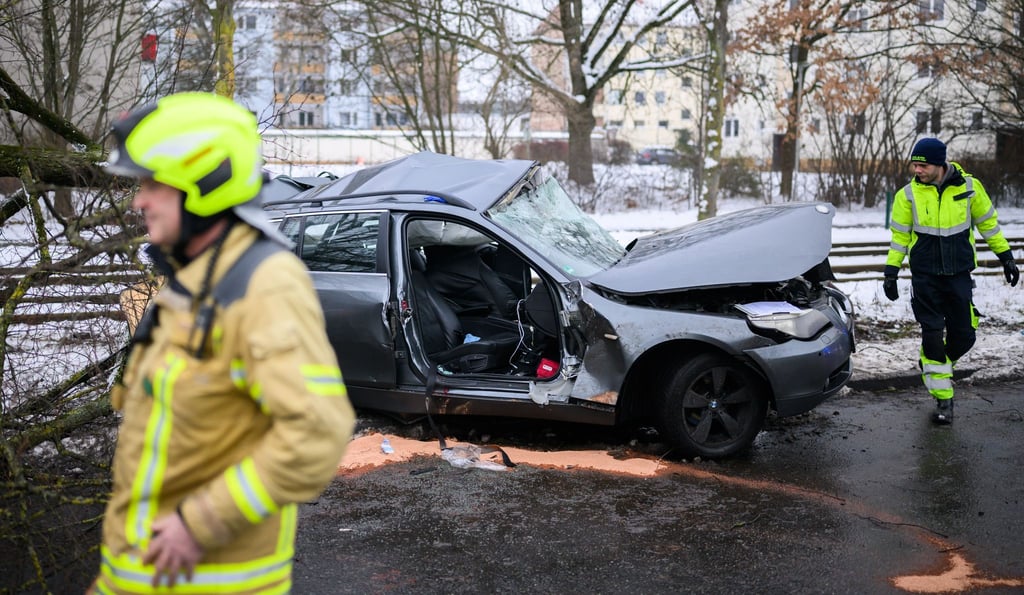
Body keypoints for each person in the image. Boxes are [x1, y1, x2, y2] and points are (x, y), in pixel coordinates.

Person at [90, 92, 355, 593]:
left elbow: (318, 433)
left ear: (205, 182)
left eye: (151, 184)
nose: (137, 200)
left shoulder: (264, 284)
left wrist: (200, 524)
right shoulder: (193, 280)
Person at [883, 137, 1019, 424]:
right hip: (925, 279)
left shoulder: (970, 188)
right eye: (914, 164)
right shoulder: (906, 196)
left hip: (959, 277)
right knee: (932, 336)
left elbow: (989, 225)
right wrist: (891, 272)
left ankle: (934, 365)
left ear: (940, 164)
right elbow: (899, 239)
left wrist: (1006, 256)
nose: (916, 170)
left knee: (965, 336)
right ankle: (944, 400)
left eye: (923, 165)